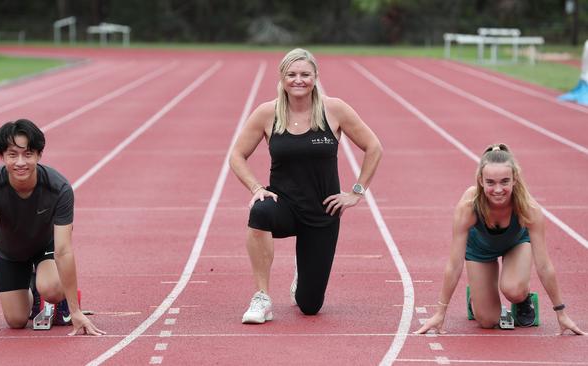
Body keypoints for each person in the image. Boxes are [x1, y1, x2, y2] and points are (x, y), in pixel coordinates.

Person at [229, 48, 383, 324]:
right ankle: (262, 297)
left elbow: (373, 147)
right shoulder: (267, 113)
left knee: (310, 306)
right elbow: (236, 155)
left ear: (315, 77)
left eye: (304, 74)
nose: (298, 80)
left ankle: (303, 274)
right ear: (282, 78)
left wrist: (356, 192)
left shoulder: (334, 109)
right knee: (260, 212)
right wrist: (255, 188)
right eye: (291, 74)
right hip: (284, 206)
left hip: (322, 212)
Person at [0, 119, 105, 337]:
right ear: (1, 156)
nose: (20, 162)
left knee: (52, 288)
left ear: (38, 155)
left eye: (27, 154)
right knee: (16, 321)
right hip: (11, 253)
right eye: (12, 155)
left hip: (46, 248)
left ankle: (59, 300)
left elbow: (63, 250)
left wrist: (76, 311)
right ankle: (34, 291)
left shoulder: (59, 189)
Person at [415, 143, 584, 335]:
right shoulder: (468, 207)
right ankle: (477, 297)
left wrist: (560, 313)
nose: (498, 189)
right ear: (480, 180)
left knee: (514, 290)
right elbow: (453, 266)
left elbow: (544, 266)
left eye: (505, 181)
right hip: (479, 250)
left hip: (516, 244)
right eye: (490, 182)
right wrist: (440, 313)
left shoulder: (529, 209)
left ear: (515, 179)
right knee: (487, 321)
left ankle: (523, 300)